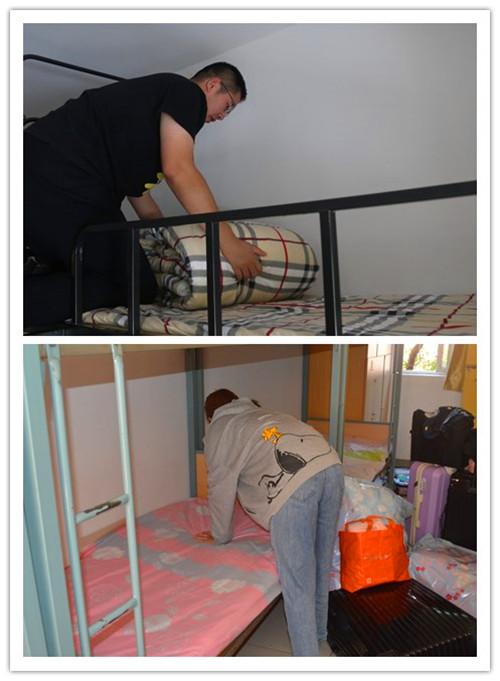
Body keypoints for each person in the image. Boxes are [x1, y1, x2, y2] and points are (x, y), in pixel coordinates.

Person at [24, 62, 265, 328]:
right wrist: (228, 242)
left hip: (42, 172)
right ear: (212, 85)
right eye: (228, 106)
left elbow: (140, 198)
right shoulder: (187, 92)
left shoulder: (142, 118)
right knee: (132, 284)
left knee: (118, 273)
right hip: (61, 176)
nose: (222, 116)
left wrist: (164, 237)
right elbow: (180, 170)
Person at [197, 389, 345, 657]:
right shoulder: (262, 414)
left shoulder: (220, 428)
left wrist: (220, 534)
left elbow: (219, 487)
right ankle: (319, 634)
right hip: (331, 464)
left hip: (294, 482)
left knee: (297, 582)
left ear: (210, 416)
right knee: (320, 563)